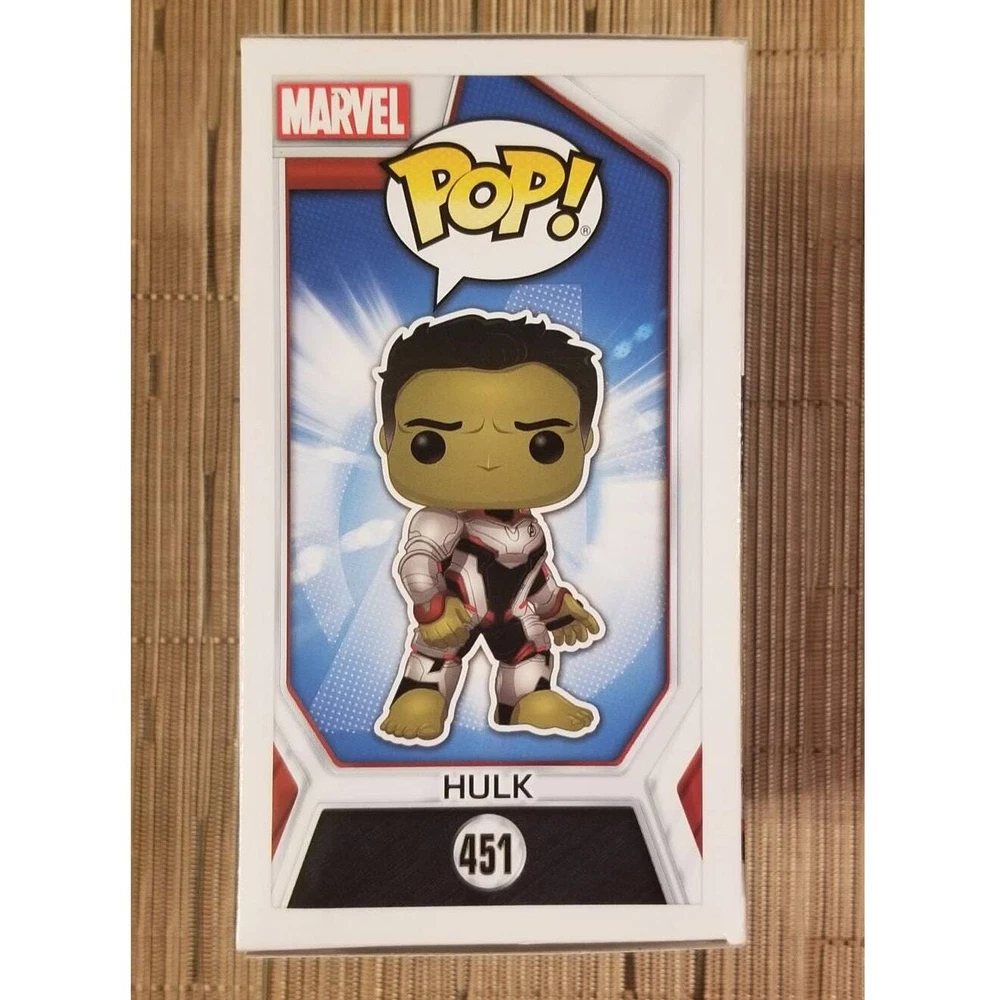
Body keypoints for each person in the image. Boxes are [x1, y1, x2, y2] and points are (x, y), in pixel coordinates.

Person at [373, 310, 606, 744]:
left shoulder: (531, 529)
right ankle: (421, 694)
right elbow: (416, 565)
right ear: (387, 439)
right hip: (454, 612)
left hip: (513, 613)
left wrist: (556, 608)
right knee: (437, 655)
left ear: (585, 441)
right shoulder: (440, 520)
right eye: (431, 443)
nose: (488, 462)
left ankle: (528, 698)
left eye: (543, 443)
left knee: (530, 649)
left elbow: (534, 576)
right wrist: (432, 608)